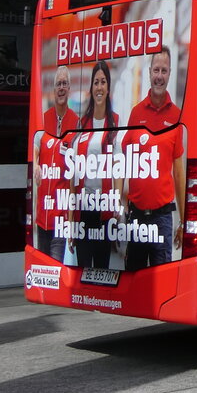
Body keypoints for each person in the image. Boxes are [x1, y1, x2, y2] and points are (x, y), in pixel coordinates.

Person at [121, 48, 186, 270]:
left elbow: (179, 173)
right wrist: (120, 204)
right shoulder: (136, 113)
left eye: (164, 71)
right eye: (156, 70)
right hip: (136, 217)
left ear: (169, 74)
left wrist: (183, 222)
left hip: (162, 219)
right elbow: (123, 161)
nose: (159, 75)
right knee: (135, 281)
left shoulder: (177, 117)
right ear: (149, 72)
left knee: (162, 282)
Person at [69, 60, 120, 269]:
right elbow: (74, 174)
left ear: (108, 88)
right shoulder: (81, 124)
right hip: (84, 210)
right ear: (91, 88)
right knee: (83, 269)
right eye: (96, 82)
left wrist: (117, 211)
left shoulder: (116, 123)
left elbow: (119, 168)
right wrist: (71, 220)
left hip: (105, 212)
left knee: (102, 269)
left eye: (103, 82)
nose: (99, 87)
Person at [34, 65, 79, 260]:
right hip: (41, 217)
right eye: (58, 84)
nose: (61, 88)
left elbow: (76, 172)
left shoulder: (76, 123)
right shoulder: (43, 120)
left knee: (54, 268)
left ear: (69, 89)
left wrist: (71, 220)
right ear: (53, 89)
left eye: (65, 84)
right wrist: (35, 164)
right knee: (42, 270)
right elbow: (36, 147)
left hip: (60, 219)